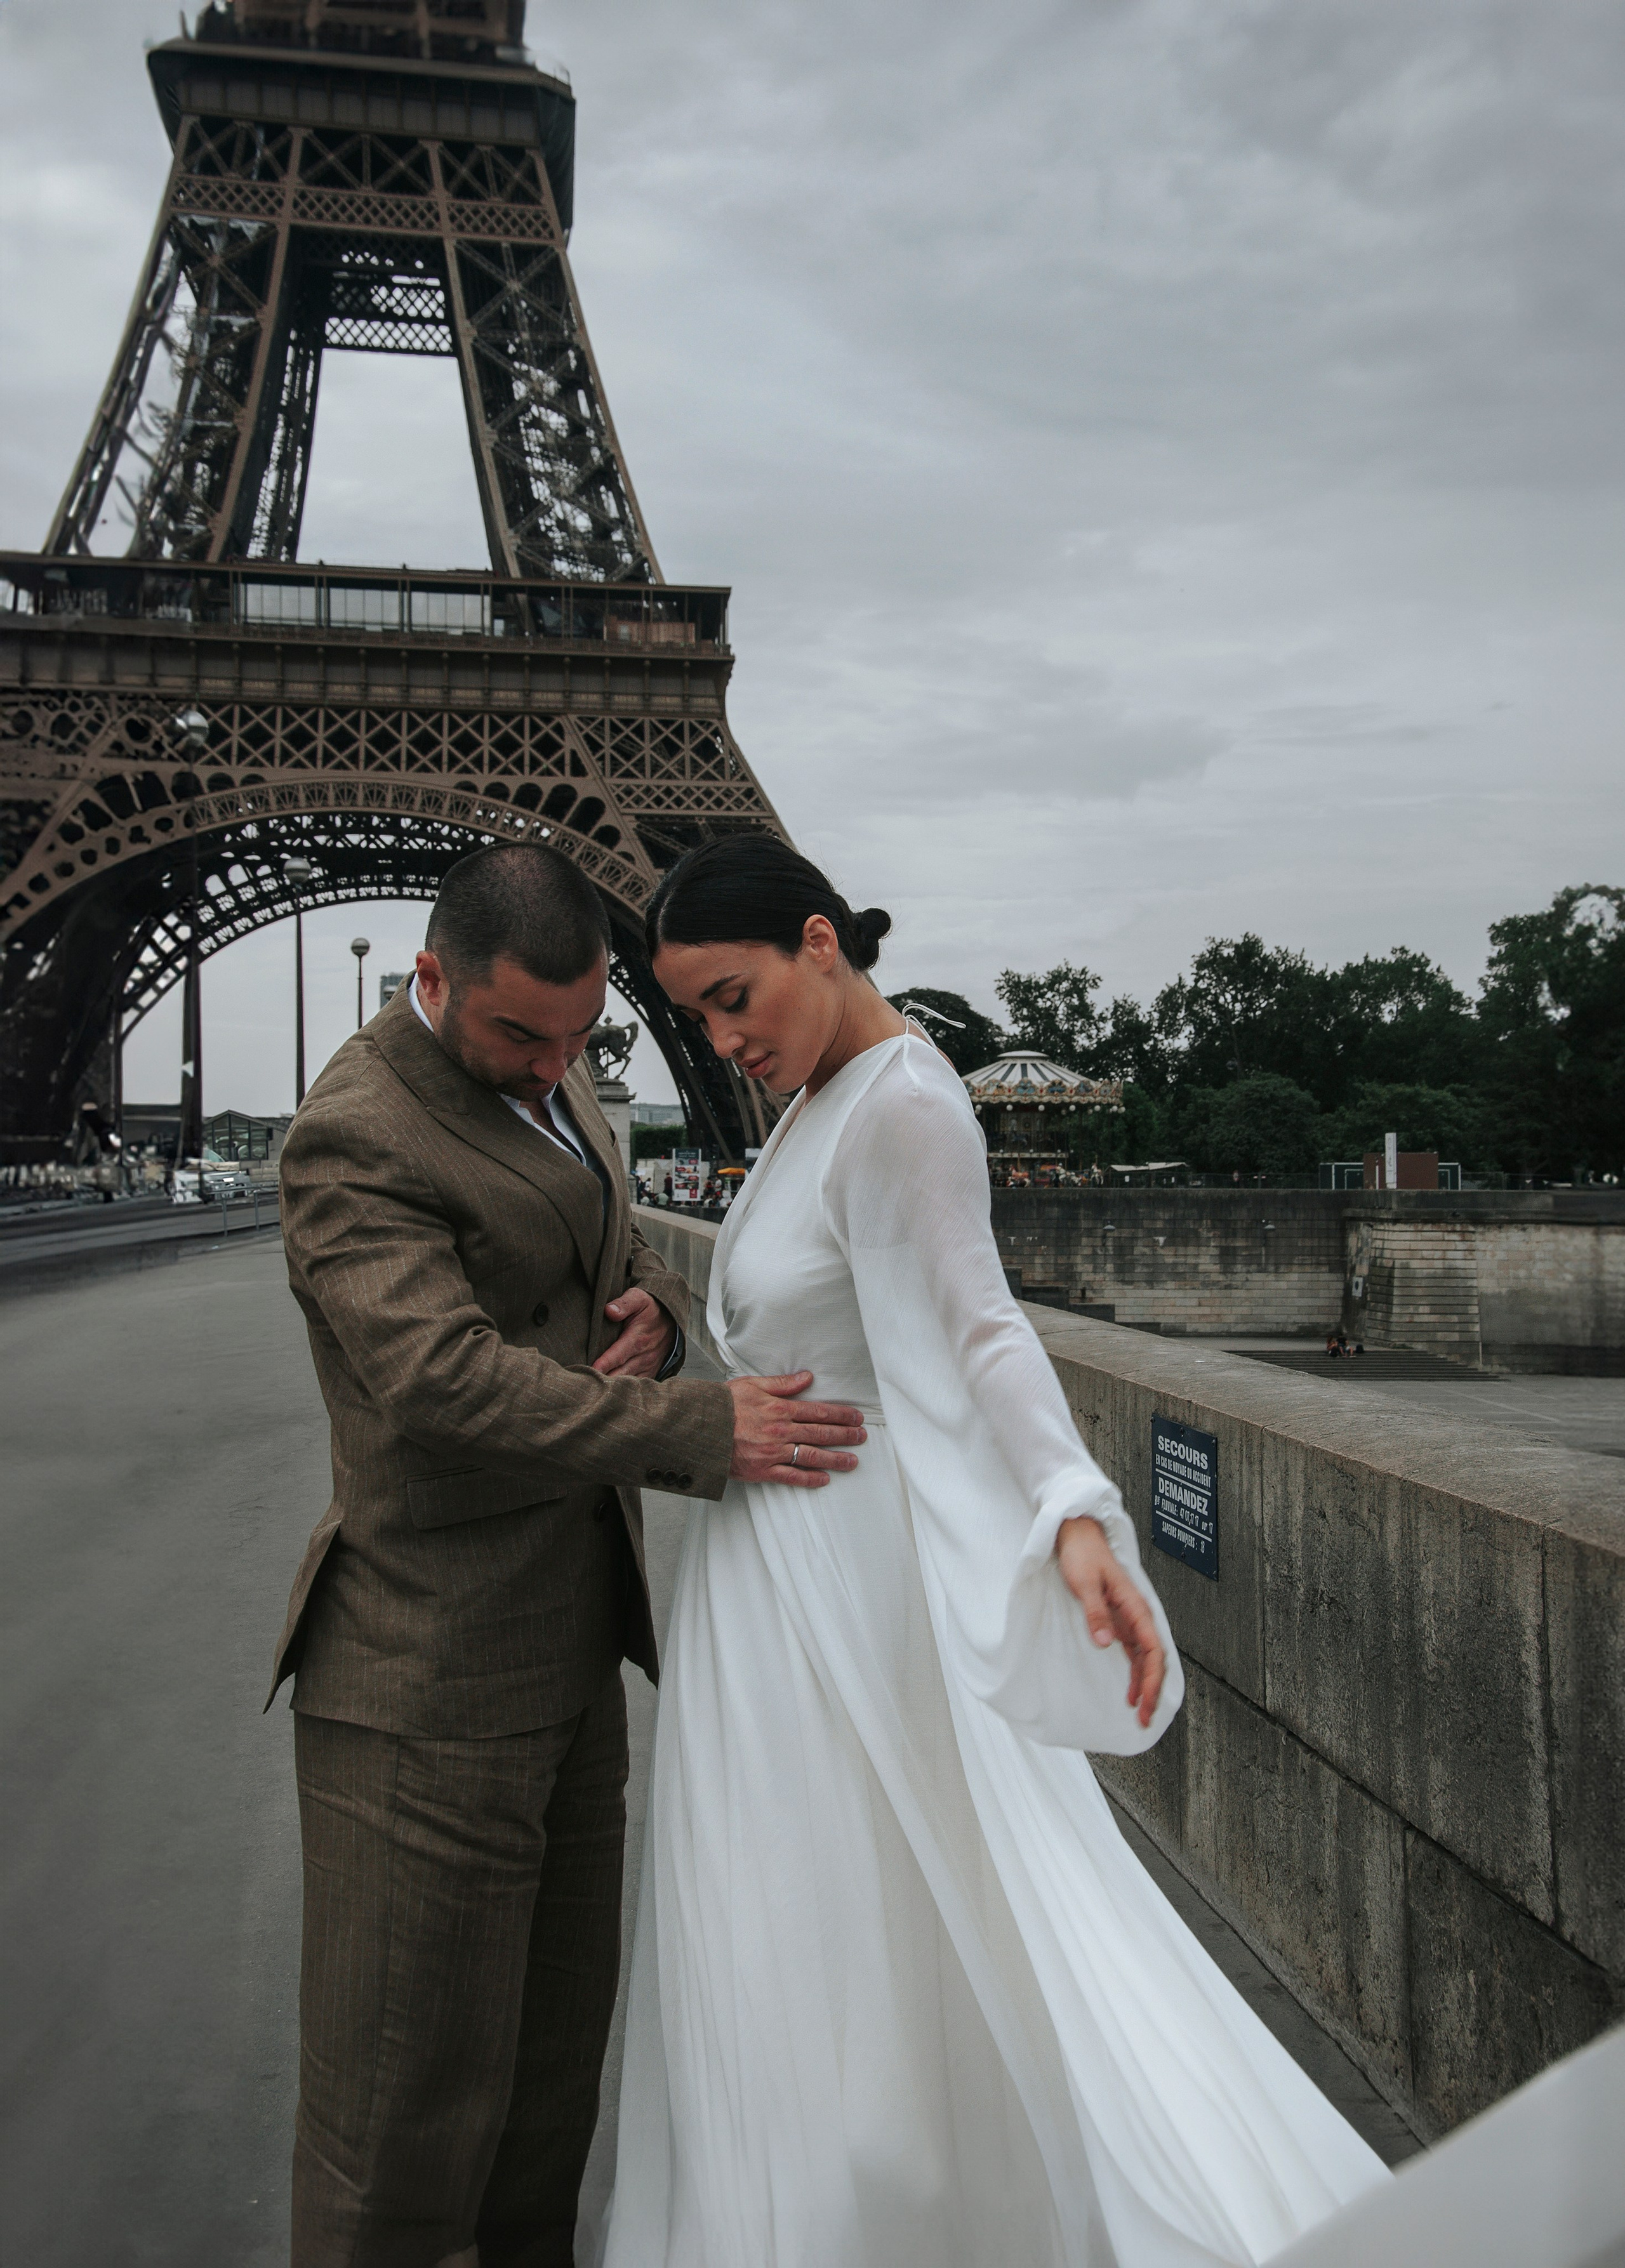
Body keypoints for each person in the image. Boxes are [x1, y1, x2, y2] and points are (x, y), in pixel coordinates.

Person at [598, 836, 1390, 2267]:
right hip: (778, 1583)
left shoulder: (902, 1102)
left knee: (820, 1957)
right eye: (699, 1017)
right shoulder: (816, 1096)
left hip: (839, 1597)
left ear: (819, 940)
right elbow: (796, 1307)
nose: (718, 1041)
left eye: (731, 998)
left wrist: (1072, 1508)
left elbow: (980, 1326)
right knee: (822, 1959)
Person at [270, 843, 866, 2268]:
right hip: (422, 1675)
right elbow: (442, 1383)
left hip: (564, 1658)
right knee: (400, 2121)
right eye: (517, 1036)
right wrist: (696, 1424)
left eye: (577, 1035)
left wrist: (654, 1303)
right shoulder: (353, 1134)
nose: (552, 1067)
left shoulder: (552, 1074)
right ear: (429, 980)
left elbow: (597, 1252)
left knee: (545, 2098)